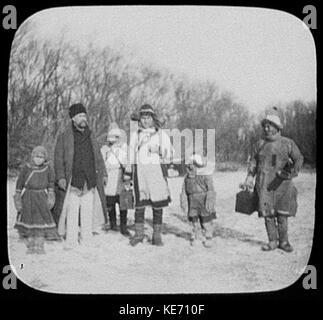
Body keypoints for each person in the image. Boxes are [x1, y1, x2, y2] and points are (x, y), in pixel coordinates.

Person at [243, 110, 303, 252]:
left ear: (277, 127)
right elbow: (253, 162)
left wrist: (291, 172)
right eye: (265, 126)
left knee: (282, 215)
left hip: (283, 184)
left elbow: (299, 158)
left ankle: (284, 242)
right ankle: (272, 241)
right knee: (268, 214)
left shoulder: (288, 143)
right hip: (264, 184)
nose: (266, 128)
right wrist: (250, 177)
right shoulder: (260, 144)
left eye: (270, 125)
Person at [54, 103, 108, 249]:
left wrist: (103, 174)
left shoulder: (91, 135)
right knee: (72, 211)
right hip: (73, 179)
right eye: (79, 116)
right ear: (73, 118)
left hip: (89, 179)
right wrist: (61, 177)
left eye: (84, 115)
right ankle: (71, 240)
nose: (83, 118)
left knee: (87, 211)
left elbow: (98, 156)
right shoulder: (64, 136)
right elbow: (58, 158)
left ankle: (86, 238)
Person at [125, 104, 173, 246]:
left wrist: (159, 150)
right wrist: (128, 172)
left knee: (157, 205)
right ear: (139, 120)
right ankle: (139, 234)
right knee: (139, 205)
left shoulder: (161, 135)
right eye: (143, 118)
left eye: (148, 118)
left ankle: (156, 235)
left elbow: (170, 153)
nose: (145, 121)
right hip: (140, 174)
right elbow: (130, 154)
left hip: (156, 173)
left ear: (153, 118)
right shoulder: (136, 134)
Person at [13, 146, 56, 254]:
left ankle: (39, 243)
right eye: (37, 156)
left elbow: (51, 181)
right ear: (32, 156)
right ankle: (29, 241)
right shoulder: (26, 168)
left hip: (41, 196)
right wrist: (18, 194)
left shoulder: (47, 168)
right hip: (28, 196)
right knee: (28, 217)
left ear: (45, 158)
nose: (38, 159)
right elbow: (20, 181)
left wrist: (51, 194)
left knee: (41, 218)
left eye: (41, 157)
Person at [180, 154, 217, 248]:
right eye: (189, 165)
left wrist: (210, 201)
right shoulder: (187, 178)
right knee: (194, 222)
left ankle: (208, 237)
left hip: (204, 203)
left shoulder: (205, 176)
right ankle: (197, 236)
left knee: (206, 222)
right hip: (192, 203)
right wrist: (184, 202)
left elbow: (211, 190)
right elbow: (184, 191)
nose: (190, 167)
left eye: (193, 165)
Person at [100, 122, 130, 236]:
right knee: (110, 202)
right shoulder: (105, 149)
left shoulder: (124, 148)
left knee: (123, 202)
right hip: (109, 176)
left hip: (121, 176)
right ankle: (112, 223)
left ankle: (123, 226)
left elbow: (127, 162)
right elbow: (102, 163)